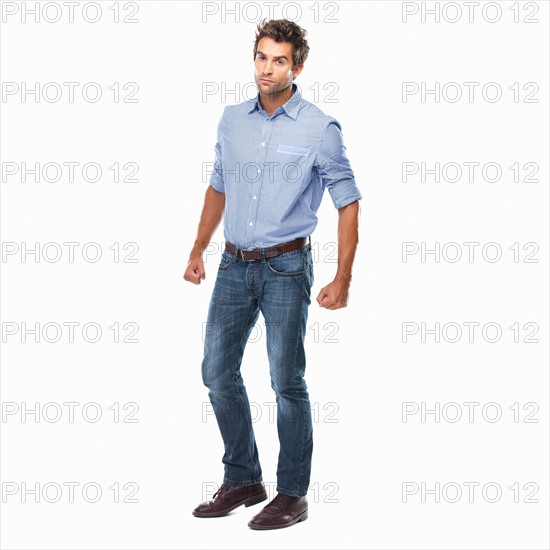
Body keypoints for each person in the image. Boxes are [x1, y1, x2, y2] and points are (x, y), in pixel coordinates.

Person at [184, 18, 361, 530]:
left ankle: (292, 493)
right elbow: (218, 185)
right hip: (233, 265)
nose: (267, 68)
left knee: (287, 381)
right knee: (216, 373)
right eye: (261, 57)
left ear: (297, 66)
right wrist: (197, 248)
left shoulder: (320, 127)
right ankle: (243, 477)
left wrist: (342, 277)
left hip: (287, 266)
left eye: (279, 59)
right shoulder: (231, 120)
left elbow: (347, 202)